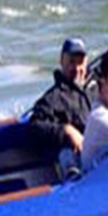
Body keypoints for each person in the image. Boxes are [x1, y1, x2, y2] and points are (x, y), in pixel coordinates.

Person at [29, 36, 91, 166]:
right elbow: (34, 126)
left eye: (80, 62)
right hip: (84, 158)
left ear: (86, 62)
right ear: (62, 61)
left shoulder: (98, 83)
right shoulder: (54, 98)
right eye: (71, 62)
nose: (76, 68)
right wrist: (66, 130)